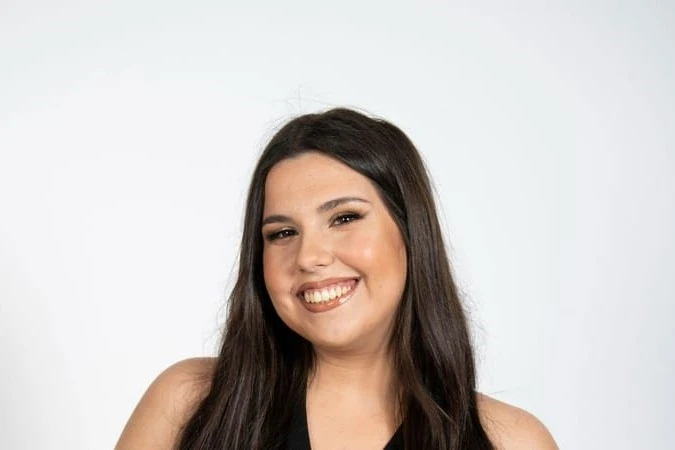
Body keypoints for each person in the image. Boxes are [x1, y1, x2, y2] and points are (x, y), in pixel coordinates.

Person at [115, 108, 558, 449]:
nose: (309, 257)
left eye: (344, 218)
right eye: (282, 233)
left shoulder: (512, 442)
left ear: (411, 232)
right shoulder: (189, 402)